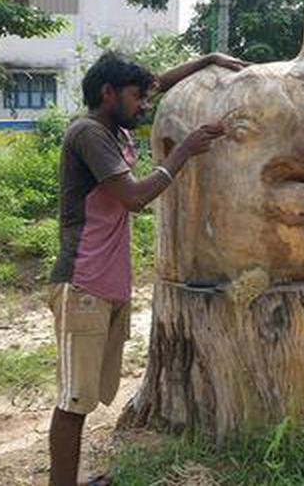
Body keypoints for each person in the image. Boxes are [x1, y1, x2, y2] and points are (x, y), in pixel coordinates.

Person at [47, 49, 246, 486]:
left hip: (104, 280)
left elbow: (158, 82)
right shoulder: (89, 133)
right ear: (108, 93)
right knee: (73, 399)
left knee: (86, 394)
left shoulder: (113, 127)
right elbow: (134, 197)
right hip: (81, 281)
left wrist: (206, 60)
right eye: (137, 97)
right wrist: (184, 152)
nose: (144, 104)